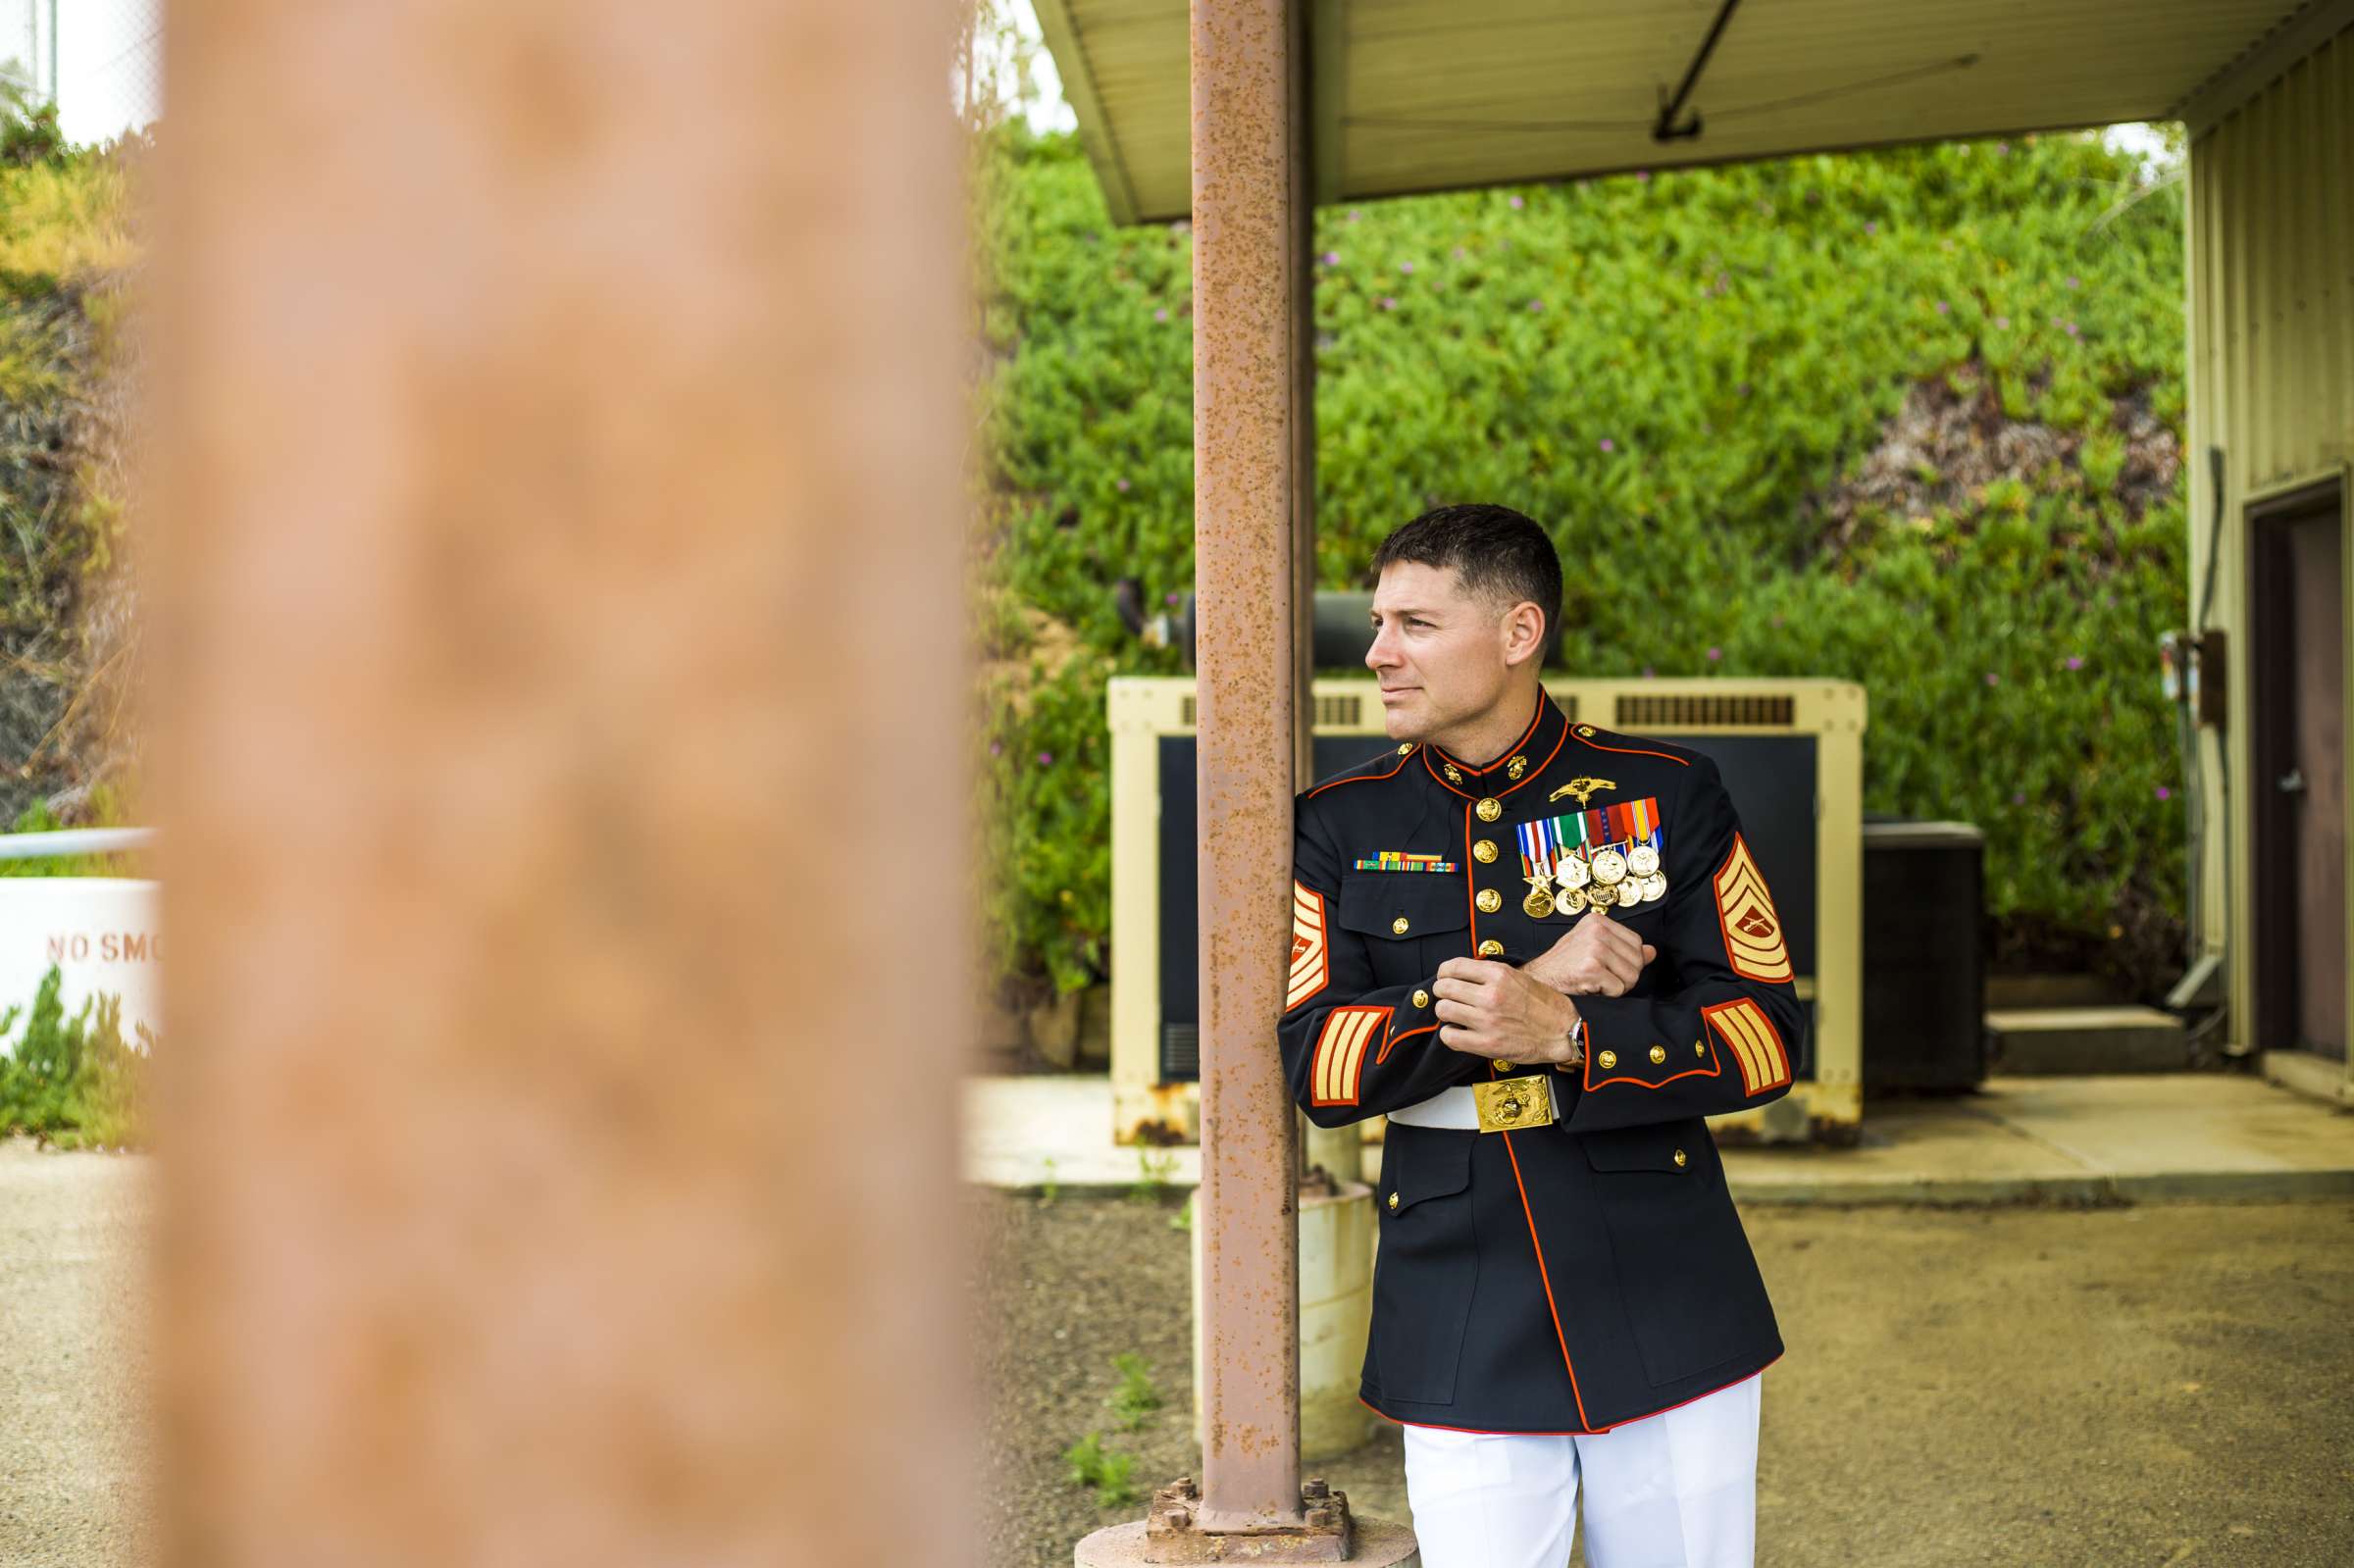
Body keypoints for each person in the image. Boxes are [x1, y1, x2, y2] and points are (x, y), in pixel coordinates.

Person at [1277, 503, 1806, 1568]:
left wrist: (1569, 1032)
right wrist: (1501, 994)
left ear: (1519, 634)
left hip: (1663, 1269)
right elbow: (1319, 1064)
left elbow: (1765, 1037)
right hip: (1457, 1282)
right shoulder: (1341, 823)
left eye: (1415, 624)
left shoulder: (1666, 794)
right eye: (1379, 623)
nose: (1378, 653)